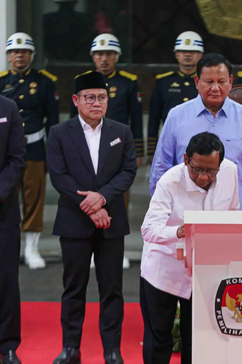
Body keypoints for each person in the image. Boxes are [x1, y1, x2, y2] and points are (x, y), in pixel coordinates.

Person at [140, 132, 239, 364]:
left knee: (198, 341)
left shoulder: (230, 173)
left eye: (211, 170)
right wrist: (179, 231)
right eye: (198, 170)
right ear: (186, 160)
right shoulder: (170, 181)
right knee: (159, 339)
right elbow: (149, 229)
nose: (205, 177)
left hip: (205, 270)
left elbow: (233, 212)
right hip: (164, 269)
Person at [47, 71, 137, 364]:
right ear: (76, 101)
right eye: (89, 98)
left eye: (101, 98)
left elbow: (128, 172)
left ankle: (111, 350)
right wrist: (90, 205)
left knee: (111, 288)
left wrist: (102, 197)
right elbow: (58, 175)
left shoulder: (121, 132)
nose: (96, 103)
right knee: (74, 287)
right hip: (75, 220)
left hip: (111, 220)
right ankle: (70, 348)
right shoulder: (60, 132)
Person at [150, 53, 242, 211]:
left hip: (235, 210)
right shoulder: (177, 116)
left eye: (221, 82)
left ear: (231, 82)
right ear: (197, 82)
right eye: (209, 82)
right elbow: (161, 167)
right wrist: (160, 210)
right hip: (186, 211)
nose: (215, 88)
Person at [71, 33, 145, 269]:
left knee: (117, 199)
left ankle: (115, 246)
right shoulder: (81, 82)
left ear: (117, 57)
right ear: (93, 57)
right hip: (88, 146)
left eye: (109, 54)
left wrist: (140, 150)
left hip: (117, 149)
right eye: (100, 54)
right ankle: (91, 246)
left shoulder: (128, 82)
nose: (104, 59)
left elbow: (136, 117)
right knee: (88, 194)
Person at [0, 32, 59, 270]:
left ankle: (31, 247)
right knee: (4, 196)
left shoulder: (45, 82)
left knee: (34, 198)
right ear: (8, 56)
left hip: (34, 146)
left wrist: (53, 151)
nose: (19, 55)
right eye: (14, 52)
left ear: (32, 55)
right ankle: (5, 245)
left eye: (24, 51)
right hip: (2, 153)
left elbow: (53, 119)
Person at [0, 49, 26, 364]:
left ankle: (7, 347)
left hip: (2, 212)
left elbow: (17, 159)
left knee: (6, 281)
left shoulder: (7, 108)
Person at [148, 31, 204, 159]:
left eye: (192, 52)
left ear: (200, 55)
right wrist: (152, 150)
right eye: (183, 51)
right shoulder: (163, 82)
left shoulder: (206, 82)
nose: (187, 55)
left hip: (202, 144)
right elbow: (154, 118)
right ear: (176, 54)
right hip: (170, 143)